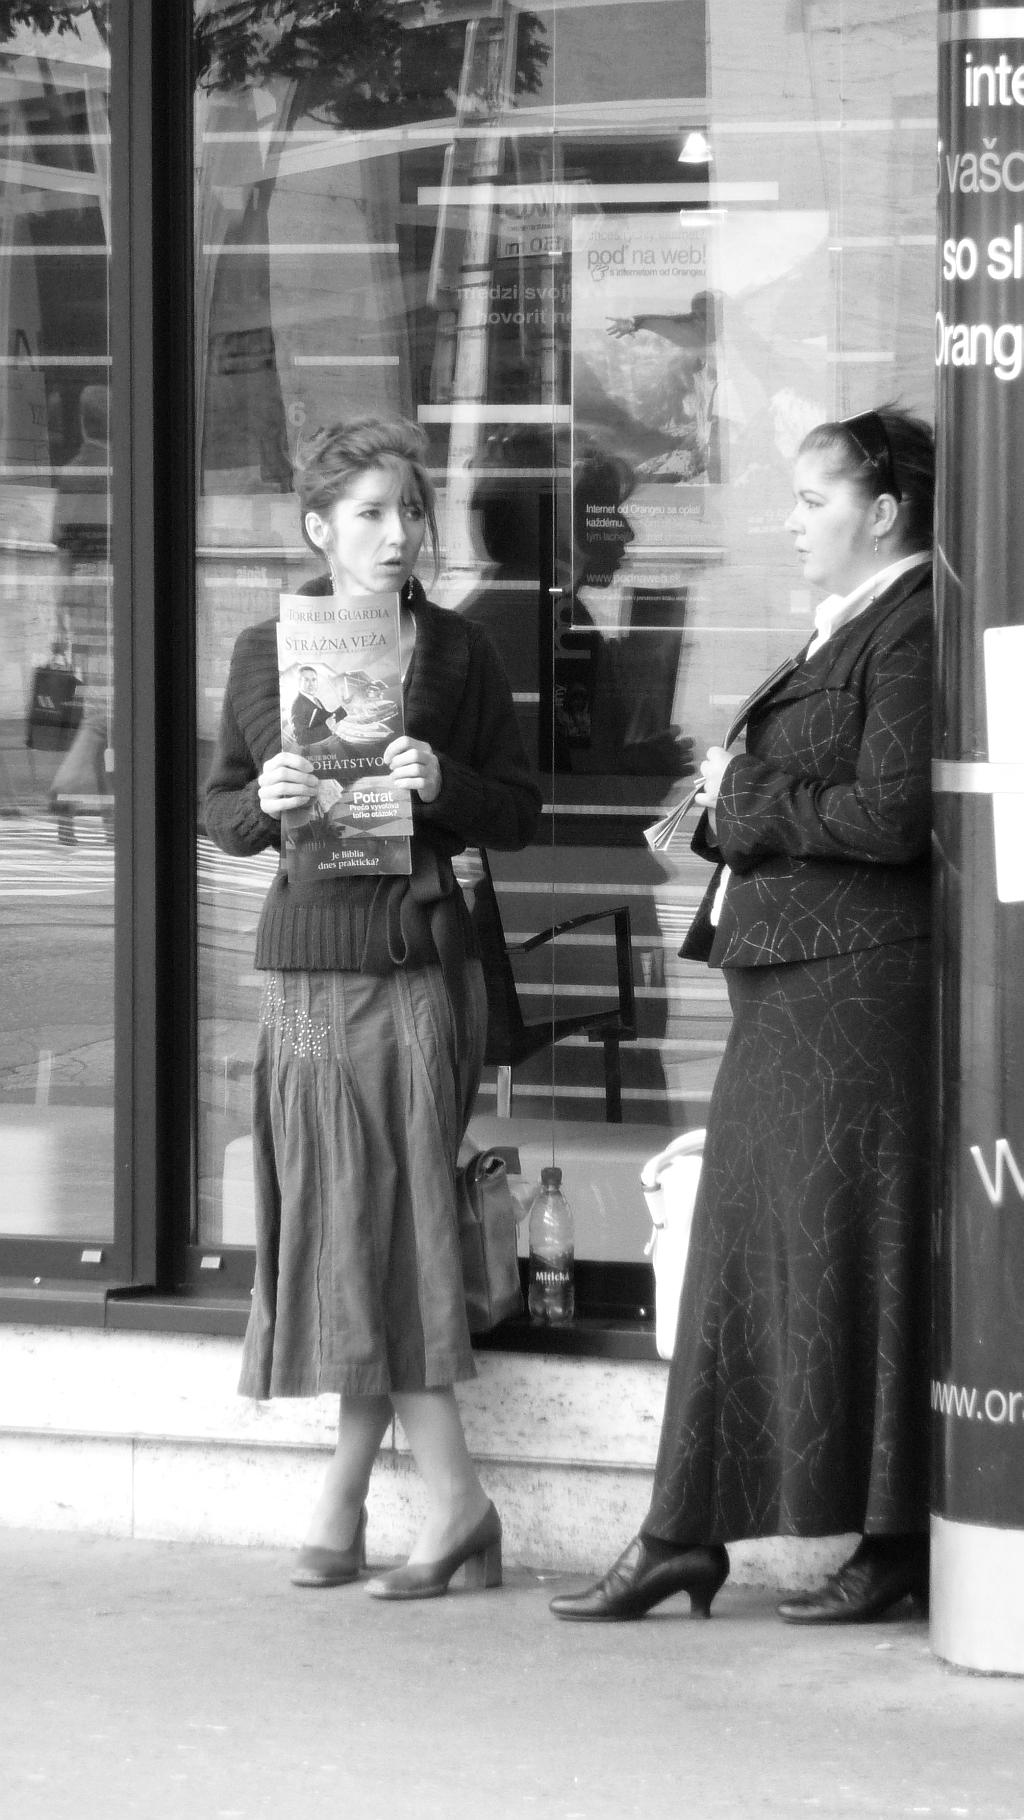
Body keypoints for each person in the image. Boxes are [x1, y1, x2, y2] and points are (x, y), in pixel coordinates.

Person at [549, 405, 935, 1626]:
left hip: (850, 990)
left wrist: (745, 788)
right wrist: (726, 804)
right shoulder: (856, 624)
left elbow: (889, 817)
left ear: (884, 511)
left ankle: (884, 1533)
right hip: (804, 983)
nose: (790, 521)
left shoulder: (909, 626)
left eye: (813, 499)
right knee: (752, 1251)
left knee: (844, 1250)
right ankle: (687, 1529)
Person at [205, 417, 540, 1600]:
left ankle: (436, 1503)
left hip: (417, 962)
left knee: (387, 1216)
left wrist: (445, 784)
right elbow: (222, 814)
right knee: (340, 1216)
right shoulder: (265, 650)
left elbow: (518, 811)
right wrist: (266, 796)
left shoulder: (456, 651)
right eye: (369, 513)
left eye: (409, 510)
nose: (398, 533)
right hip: (305, 967)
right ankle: (371, 1499)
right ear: (319, 528)